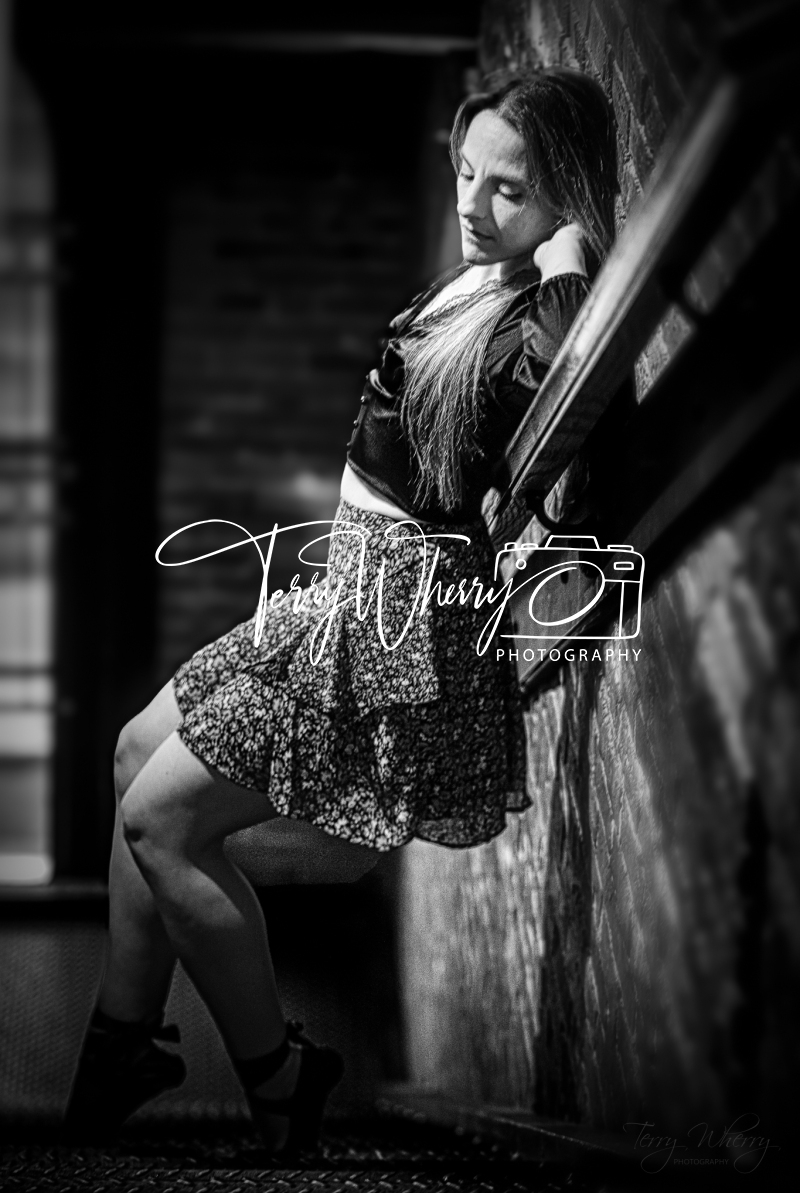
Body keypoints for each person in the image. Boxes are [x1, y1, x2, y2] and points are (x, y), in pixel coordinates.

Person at [65, 67, 617, 1155]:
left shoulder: (533, 310)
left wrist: (569, 262)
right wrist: (531, 243)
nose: (472, 203)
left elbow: (566, 381)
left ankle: (279, 1080)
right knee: (135, 753)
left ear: (565, 195)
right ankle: (123, 1042)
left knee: (160, 822)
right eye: (466, 172)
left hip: (393, 620)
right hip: (344, 591)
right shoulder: (480, 282)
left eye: (509, 189)